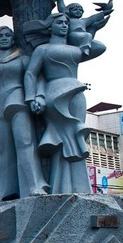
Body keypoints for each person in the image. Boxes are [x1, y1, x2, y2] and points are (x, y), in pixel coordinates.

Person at [24, 13, 103, 194]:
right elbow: (31, 74)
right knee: (61, 143)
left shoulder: (75, 50)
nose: (64, 25)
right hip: (55, 95)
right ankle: (61, 187)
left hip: (76, 94)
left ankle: (80, 188)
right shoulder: (42, 49)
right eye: (59, 22)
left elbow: (100, 47)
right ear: (50, 26)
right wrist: (32, 98)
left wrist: (80, 30)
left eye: (66, 23)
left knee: (76, 138)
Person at [0, 26, 48, 201]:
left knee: (25, 143)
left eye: (8, 35)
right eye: (0, 36)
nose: (4, 38)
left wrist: (40, 97)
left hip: (18, 100)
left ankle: (35, 186)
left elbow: (37, 77)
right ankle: (4, 192)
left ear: (13, 39)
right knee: (3, 149)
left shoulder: (23, 58)